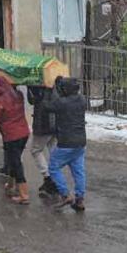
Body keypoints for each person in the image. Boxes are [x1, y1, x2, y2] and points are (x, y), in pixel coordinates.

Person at [0, 77, 31, 205]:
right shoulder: (18, 95)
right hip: (24, 133)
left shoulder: (0, 101)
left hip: (12, 136)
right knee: (14, 160)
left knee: (15, 163)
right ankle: (11, 186)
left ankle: (24, 194)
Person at [44, 77, 87, 211]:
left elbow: (47, 106)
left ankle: (65, 195)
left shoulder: (63, 103)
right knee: (78, 171)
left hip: (66, 142)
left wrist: (47, 92)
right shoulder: (82, 100)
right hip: (80, 142)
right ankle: (79, 199)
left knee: (53, 167)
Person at [27, 86, 58, 197]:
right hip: (55, 123)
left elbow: (33, 100)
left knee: (36, 150)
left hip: (44, 122)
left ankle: (48, 178)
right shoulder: (57, 83)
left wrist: (29, 87)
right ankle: (55, 178)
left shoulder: (39, 85)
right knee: (53, 149)